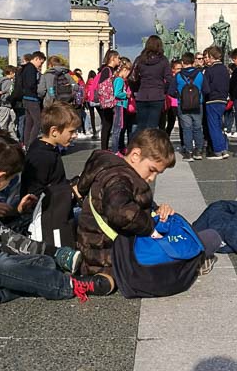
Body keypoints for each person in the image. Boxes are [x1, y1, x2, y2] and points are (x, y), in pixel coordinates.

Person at [0, 132, 115, 319]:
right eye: (10, 180)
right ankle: (70, 285)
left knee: (44, 263)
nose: (9, 184)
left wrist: (11, 211)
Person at [75, 128, 220, 277]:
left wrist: (157, 210)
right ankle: (192, 265)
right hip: (116, 261)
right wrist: (150, 226)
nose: (152, 178)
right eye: (151, 170)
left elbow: (133, 206)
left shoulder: (114, 173)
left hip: (104, 255)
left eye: (157, 173)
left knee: (196, 241)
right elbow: (121, 211)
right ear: (135, 155)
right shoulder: (119, 178)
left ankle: (191, 263)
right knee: (208, 239)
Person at [18, 101, 82, 249]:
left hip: (55, 212)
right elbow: (35, 194)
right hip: (49, 221)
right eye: (71, 132)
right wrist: (71, 191)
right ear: (54, 131)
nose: (75, 136)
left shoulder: (43, 147)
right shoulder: (43, 157)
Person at [133, 36, 173, 132]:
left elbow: (133, 77)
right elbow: (169, 79)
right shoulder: (163, 60)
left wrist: (137, 89)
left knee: (141, 126)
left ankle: (138, 141)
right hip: (157, 95)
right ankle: (150, 142)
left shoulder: (139, 59)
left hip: (142, 95)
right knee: (153, 126)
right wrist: (163, 90)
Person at [171, 52, 206, 161]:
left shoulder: (178, 76)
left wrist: (179, 95)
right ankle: (198, 151)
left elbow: (170, 92)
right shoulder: (200, 74)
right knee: (197, 128)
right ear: (193, 61)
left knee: (186, 129)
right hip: (197, 104)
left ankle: (189, 152)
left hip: (183, 105)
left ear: (182, 62)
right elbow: (206, 90)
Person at [12, 51, 46, 150]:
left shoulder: (24, 68)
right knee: (38, 121)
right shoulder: (31, 68)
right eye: (41, 62)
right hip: (32, 98)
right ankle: (31, 144)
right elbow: (31, 84)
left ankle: (26, 143)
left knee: (29, 122)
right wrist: (37, 88)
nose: (41, 65)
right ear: (37, 59)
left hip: (25, 98)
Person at [202, 45, 230, 159]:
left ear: (212, 56)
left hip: (212, 99)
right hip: (223, 99)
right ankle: (224, 148)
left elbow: (205, 87)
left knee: (213, 126)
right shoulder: (225, 69)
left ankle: (218, 150)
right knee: (219, 125)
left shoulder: (210, 70)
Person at [96, 50, 120, 151]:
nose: (119, 60)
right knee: (107, 124)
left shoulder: (107, 69)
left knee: (108, 124)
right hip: (108, 101)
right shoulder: (107, 70)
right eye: (118, 58)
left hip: (108, 100)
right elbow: (103, 86)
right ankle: (104, 148)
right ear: (112, 58)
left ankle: (105, 147)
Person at [111, 57, 133, 155]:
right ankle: (115, 150)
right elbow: (117, 93)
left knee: (119, 128)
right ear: (124, 69)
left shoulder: (118, 79)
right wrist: (126, 95)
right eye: (128, 72)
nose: (128, 74)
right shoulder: (119, 80)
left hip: (120, 106)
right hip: (119, 105)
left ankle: (119, 148)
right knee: (117, 129)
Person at [0, 65, 18, 139]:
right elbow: (8, 92)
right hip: (5, 104)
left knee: (8, 124)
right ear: (11, 72)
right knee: (4, 125)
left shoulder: (1, 81)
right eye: (14, 72)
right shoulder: (8, 82)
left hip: (3, 105)